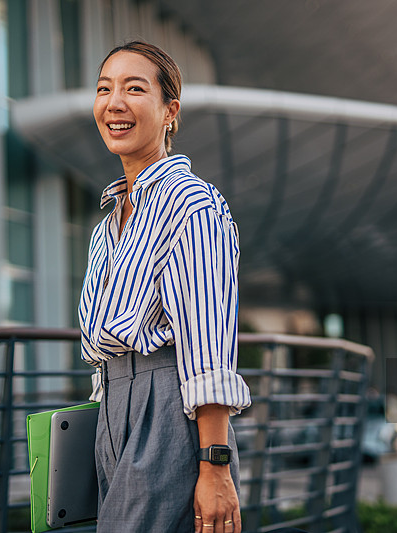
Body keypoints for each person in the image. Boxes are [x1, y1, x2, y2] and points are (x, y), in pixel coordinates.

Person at [78, 41, 251, 533]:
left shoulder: (190, 205)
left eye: (135, 89)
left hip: (167, 411)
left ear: (169, 110)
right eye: (104, 89)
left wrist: (214, 464)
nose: (115, 103)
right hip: (112, 410)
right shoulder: (107, 225)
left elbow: (207, 342)